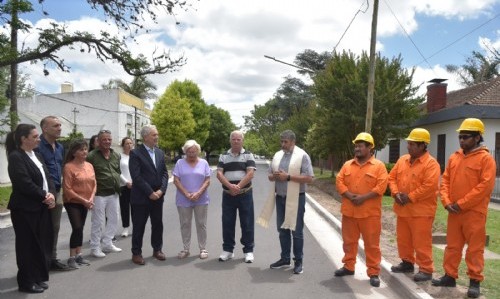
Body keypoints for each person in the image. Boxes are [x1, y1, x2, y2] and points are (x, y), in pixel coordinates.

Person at [432, 118, 496, 298]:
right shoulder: (454, 157)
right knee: (452, 246)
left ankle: (475, 281)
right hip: (454, 211)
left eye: (466, 137)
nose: (461, 140)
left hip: (474, 213)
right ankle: (449, 276)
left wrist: (461, 204)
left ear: (477, 138)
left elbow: (484, 188)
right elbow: (444, 180)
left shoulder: (486, 160)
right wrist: (446, 201)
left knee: (475, 249)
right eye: (460, 136)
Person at [6, 123, 56, 293]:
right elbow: (24, 182)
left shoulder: (37, 155)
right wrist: (44, 195)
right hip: (25, 210)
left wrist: (51, 194)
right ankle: (26, 282)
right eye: (35, 136)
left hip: (41, 207)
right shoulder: (16, 157)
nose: (38, 139)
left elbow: (47, 177)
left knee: (40, 245)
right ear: (23, 139)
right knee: (27, 246)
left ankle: (36, 276)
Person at [334, 132, 388, 287]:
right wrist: (350, 196)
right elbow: (339, 181)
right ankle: (348, 266)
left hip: (369, 214)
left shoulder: (379, 167)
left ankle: (373, 272)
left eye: (360, 146)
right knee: (349, 242)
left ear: (370, 148)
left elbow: (381, 186)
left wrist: (363, 198)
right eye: (356, 146)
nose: (357, 149)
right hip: (349, 212)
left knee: (372, 245)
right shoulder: (347, 165)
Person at [258, 130, 314, 275]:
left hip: (296, 198)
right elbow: (270, 175)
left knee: (296, 231)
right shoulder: (277, 155)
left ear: (293, 142)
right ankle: (285, 258)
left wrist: (288, 177)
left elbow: (309, 178)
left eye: (285, 142)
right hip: (280, 197)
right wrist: (274, 176)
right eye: (281, 141)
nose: (283, 144)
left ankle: (298, 261)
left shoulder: (302, 155)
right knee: (282, 229)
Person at [388, 128, 440, 282]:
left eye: (413, 144)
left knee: (421, 241)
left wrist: (410, 197)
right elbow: (391, 178)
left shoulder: (431, 164)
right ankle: (407, 262)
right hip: (403, 209)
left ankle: (426, 269)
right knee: (403, 239)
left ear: (423, 145)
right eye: (408, 143)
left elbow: (429, 186)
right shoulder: (402, 160)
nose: (408, 146)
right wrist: (396, 193)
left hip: (421, 212)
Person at [34, 116, 71, 271]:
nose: (59, 128)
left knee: (55, 227)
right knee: (41, 228)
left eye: (60, 125)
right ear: (45, 128)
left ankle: (52, 259)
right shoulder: (37, 146)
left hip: (57, 191)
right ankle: (39, 260)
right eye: (55, 125)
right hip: (42, 193)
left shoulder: (60, 147)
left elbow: (60, 168)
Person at [129, 125, 169, 265]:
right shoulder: (135, 153)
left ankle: (157, 249)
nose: (156, 137)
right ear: (145, 137)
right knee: (139, 226)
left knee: (157, 224)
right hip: (141, 197)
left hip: (158, 196)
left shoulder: (159, 152)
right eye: (154, 135)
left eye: (157, 135)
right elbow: (136, 176)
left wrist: (161, 190)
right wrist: (150, 192)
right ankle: (136, 253)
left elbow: (164, 173)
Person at [216, 130, 256, 263]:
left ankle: (248, 251)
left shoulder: (248, 155)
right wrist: (230, 187)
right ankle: (228, 250)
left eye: (239, 139)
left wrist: (237, 187)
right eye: (234, 139)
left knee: (247, 222)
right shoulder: (223, 156)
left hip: (245, 194)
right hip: (228, 195)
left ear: (242, 141)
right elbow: (219, 174)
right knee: (227, 222)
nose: (236, 141)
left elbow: (250, 174)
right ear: (230, 140)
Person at [86, 129, 122, 258]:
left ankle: (107, 243)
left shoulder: (116, 155)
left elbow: (117, 171)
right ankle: (95, 247)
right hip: (99, 194)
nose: (107, 141)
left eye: (109, 139)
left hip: (114, 193)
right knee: (98, 221)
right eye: (104, 139)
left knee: (114, 218)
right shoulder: (91, 156)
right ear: (98, 141)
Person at [173, 140, 211, 259]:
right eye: (189, 151)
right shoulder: (179, 163)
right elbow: (176, 180)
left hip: (201, 198)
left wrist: (198, 193)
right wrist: (186, 193)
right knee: (185, 224)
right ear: (185, 151)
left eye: (194, 151)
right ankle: (186, 249)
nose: (192, 154)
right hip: (183, 199)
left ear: (198, 151)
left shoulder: (204, 163)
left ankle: (203, 248)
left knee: (201, 224)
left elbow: (207, 180)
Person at [62, 139, 96, 269]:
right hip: (73, 202)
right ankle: (71, 257)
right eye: (81, 149)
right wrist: (84, 201)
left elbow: (94, 183)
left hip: (87, 202)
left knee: (80, 228)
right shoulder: (68, 167)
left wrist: (91, 198)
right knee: (76, 227)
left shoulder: (89, 165)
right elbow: (67, 189)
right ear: (74, 152)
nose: (84, 152)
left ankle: (79, 255)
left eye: (86, 149)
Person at [119, 137, 134, 237]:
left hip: (135, 186)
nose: (129, 145)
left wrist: (134, 182)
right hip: (123, 185)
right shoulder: (119, 157)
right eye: (127, 143)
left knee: (136, 207)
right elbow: (117, 171)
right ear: (123, 145)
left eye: (130, 143)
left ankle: (136, 226)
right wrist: (126, 181)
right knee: (124, 207)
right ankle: (125, 227)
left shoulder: (135, 156)